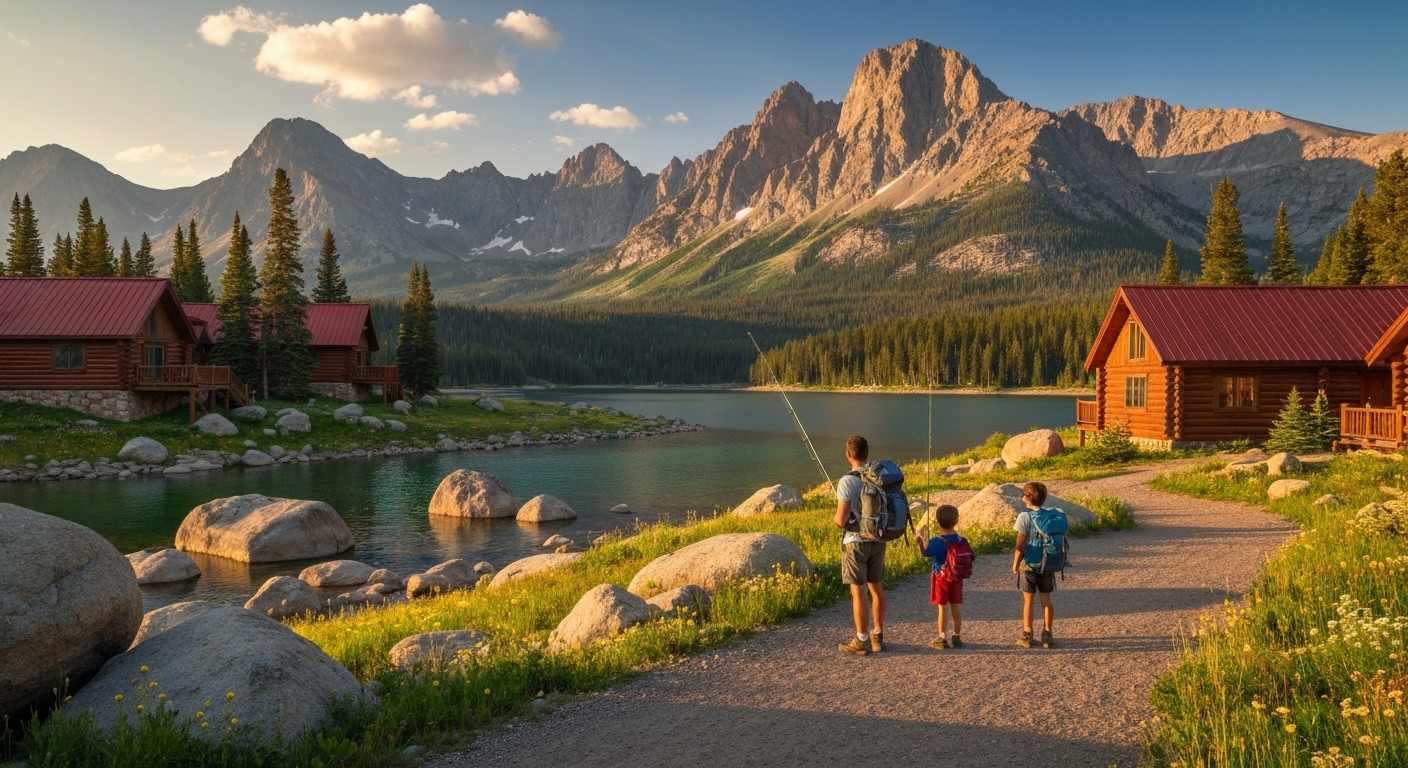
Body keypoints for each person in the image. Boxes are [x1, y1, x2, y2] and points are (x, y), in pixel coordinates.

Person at [834, 435, 886, 656]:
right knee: (876, 588)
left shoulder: (848, 481)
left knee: (859, 593)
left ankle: (861, 640)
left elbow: (841, 520)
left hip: (855, 542)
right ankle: (878, 635)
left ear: (848, 455)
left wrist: (836, 519)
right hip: (878, 540)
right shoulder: (877, 477)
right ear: (866, 454)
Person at [918, 503, 971, 649]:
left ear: (938, 522)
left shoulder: (936, 541)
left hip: (940, 577)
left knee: (942, 607)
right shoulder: (962, 540)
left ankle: (942, 637)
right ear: (956, 521)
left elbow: (925, 553)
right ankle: (957, 636)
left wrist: (920, 541)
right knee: (955, 605)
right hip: (957, 577)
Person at [1012, 481, 1057, 649]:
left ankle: (1027, 634)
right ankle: (1047, 634)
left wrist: (1016, 562)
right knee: (1046, 599)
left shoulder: (1025, 516)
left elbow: (1020, 545)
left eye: (1024, 495)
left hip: (1030, 564)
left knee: (1028, 601)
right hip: (1047, 563)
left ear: (1027, 499)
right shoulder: (1050, 515)